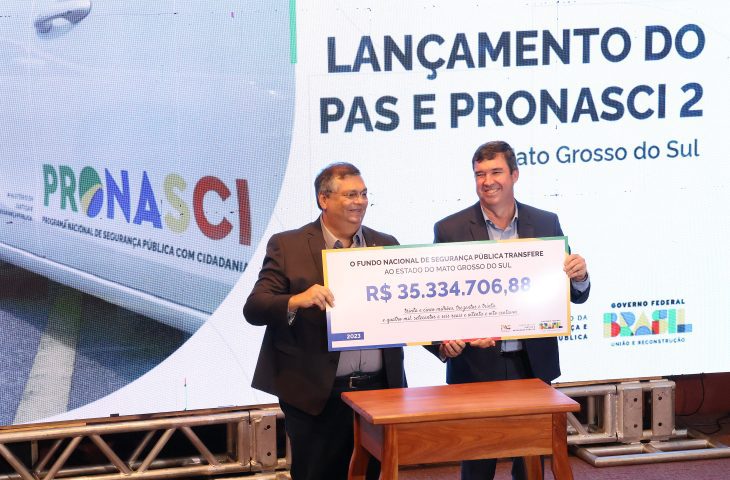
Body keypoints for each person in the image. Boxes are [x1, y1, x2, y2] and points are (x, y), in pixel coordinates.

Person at [431, 140, 590, 480]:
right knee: (478, 462)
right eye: (480, 174)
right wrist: (447, 341)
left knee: (531, 462)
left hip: (532, 362)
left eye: (496, 172)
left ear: (515, 175)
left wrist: (579, 277)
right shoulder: (450, 230)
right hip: (476, 365)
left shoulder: (546, 223)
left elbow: (572, 293)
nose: (487, 181)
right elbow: (437, 300)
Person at [243, 162, 406, 480]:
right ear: (324, 199)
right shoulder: (288, 245)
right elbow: (255, 308)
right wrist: (295, 300)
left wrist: (443, 344)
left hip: (379, 393)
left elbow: (405, 309)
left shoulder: (385, 244)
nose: (360, 202)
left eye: (363, 194)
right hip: (316, 395)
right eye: (350, 194)